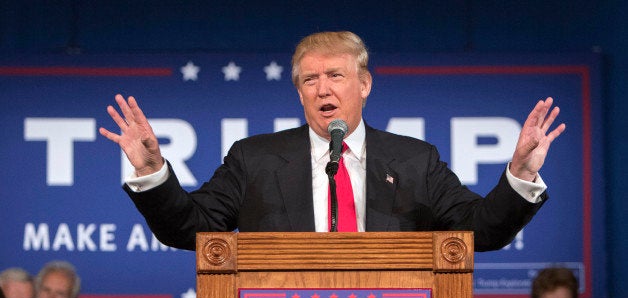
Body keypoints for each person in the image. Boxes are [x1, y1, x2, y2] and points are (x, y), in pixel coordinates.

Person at [99, 31, 565, 252]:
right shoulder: (254, 158)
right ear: (298, 91)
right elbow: (190, 229)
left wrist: (521, 173)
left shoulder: (414, 160)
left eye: (335, 76)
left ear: (364, 84)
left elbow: (481, 230)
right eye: (310, 80)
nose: (323, 89)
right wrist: (152, 172)